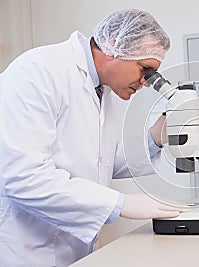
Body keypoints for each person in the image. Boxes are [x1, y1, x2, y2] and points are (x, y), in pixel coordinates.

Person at [0, 9, 184, 266]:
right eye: (145, 69)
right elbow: (23, 177)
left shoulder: (102, 87)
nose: (145, 82)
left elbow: (99, 162)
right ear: (114, 46)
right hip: (28, 251)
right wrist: (120, 204)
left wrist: (155, 138)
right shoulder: (37, 72)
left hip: (77, 251)